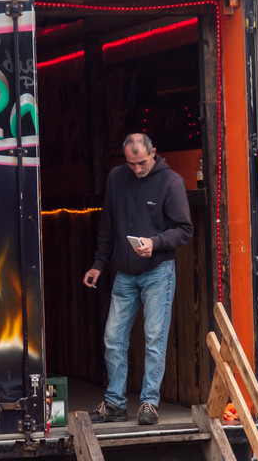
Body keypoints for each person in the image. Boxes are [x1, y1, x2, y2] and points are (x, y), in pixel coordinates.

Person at [82, 133, 193, 425]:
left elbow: (185, 230)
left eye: (141, 163)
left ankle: (149, 403)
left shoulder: (172, 182)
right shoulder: (116, 178)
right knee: (113, 338)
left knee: (154, 338)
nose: (136, 169)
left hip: (158, 270)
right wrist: (98, 264)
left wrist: (154, 242)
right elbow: (107, 224)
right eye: (130, 163)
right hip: (124, 271)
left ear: (153, 153)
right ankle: (115, 403)